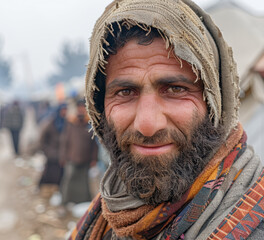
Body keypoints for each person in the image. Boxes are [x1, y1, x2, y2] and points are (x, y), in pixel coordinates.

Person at [69, 0, 264, 239]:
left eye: (175, 89)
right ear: (99, 109)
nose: (148, 125)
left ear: (215, 103)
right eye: (125, 92)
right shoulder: (106, 217)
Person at [60, 100, 98, 205]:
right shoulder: (71, 122)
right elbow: (65, 141)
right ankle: (65, 201)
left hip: (85, 158)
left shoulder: (90, 123)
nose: (81, 109)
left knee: (84, 182)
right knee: (69, 179)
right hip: (72, 157)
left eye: (83, 107)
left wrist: (94, 159)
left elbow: (94, 143)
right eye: (79, 107)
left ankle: (83, 201)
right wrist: (63, 156)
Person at [38, 103, 67, 189]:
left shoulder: (67, 124)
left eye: (65, 110)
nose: (64, 112)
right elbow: (42, 140)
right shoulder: (50, 123)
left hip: (62, 155)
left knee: (61, 175)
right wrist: (48, 152)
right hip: (52, 155)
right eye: (63, 110)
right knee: (48, 173)